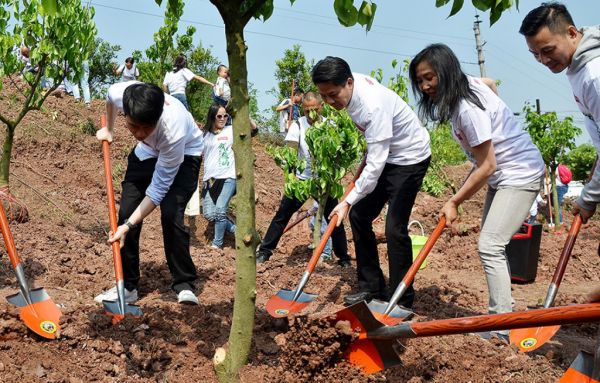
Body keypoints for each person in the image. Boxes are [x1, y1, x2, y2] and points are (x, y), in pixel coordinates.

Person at [410, 44, 545, 339]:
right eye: (420, 80)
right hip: (504, 173)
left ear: (446, 72)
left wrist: (454, 201)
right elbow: (491, 82)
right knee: (493, 244)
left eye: (430, 77)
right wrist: (498, 116)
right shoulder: (469, 84)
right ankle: (504, 314)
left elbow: (486, 166)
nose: (425, 86)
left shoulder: (468, 109)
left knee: (490, 245)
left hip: (519, 172)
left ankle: (500, 326)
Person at [312, 57, 431, 308]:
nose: (330, 102)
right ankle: (371, 287)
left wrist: (346, 201)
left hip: (410, 158)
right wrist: (351, 203)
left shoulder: (372, 105)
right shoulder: (348, 83)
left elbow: (375, 167)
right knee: (359, 216)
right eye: (324, 96)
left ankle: (402, 299)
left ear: (349, 82)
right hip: (387, 153)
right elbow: (376, 156)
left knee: (394, 228)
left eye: (333, 94)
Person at [94, 81, 203, 305]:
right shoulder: (121, 93)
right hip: (147, 153)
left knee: (171, 212)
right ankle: (128, 286)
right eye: (134, 127)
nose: (140, 133)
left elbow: (158, 190)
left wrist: (128, 226)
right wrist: (110, 129)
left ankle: (184, 282)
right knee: (126, 212)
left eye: (147, 127)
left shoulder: (174, 129)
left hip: (186, 154)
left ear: (159, 115)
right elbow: (109, 98)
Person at [520, 3, 600, 225]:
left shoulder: (594, 75)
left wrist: (589, 197)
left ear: (572, 33)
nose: (543, 60)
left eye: (548, 50)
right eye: (535, 54)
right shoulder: (579, 68)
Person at [256, 91, 352, 267]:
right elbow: (291, 155)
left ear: (321, 107)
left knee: (334, 218)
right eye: (307, 111)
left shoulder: (329, 125)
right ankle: (264, 252)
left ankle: (343, 258)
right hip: (302, 181)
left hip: (324, 182)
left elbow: (337, 155)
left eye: (315, 109)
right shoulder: (297, 126)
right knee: (282, 216)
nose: (311, 114)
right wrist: (290, 179)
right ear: (303, 110)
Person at [201, 104, 237, 249]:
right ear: (212, 117)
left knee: (220, 210)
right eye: (219, 116)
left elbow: (253, 130)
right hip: (210, 179)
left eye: (225, 116)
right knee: (209, 214)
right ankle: (238, 231)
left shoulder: (231, 130)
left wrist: (246, 116)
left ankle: (217, 244)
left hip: (228, 176)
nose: (223, 119)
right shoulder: (205, 134)